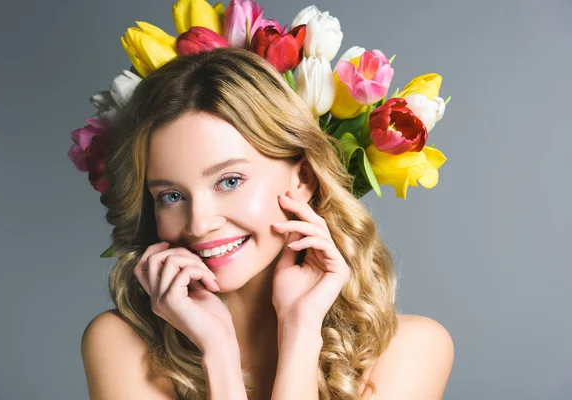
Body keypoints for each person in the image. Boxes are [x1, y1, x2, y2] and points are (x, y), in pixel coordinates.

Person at [80, 47, 454, 400]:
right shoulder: (121, 344)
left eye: (229, 181)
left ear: (303, 178)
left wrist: (300, 332)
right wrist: (219, 352)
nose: (199, 224)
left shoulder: (412, 349)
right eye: (171, 196)